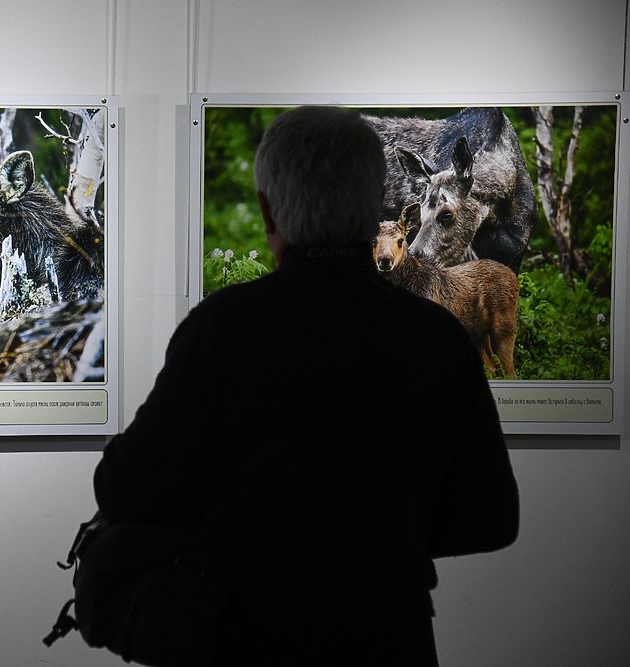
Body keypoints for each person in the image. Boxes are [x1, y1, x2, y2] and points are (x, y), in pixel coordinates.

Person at [92, 105, 520, 665]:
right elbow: (492, 516)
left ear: (268, 212)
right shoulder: (436, 338)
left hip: (243, 635)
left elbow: (124, 488)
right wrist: (387, 536)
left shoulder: (221, 328)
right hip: (389, 636)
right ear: (375, 211)